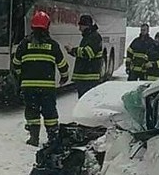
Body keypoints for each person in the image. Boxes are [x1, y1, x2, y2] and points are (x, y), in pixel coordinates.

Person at [13, 10, 69, 146]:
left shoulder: (24, 44)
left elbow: (15, 63)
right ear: (47, 26)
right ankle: (52, 137)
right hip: (47, 87)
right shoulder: (53, 45)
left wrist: (22, 76)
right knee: (49, 112)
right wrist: (64, 77)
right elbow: (62, 65)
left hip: (28, 87)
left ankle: (34, 137)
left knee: (32, 111)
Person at [65, 13, 103, 98]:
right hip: (85, 79)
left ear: (86, 26)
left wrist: (73, 50)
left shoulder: (94, 37)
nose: (79, 29)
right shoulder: (89, 36)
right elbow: (83, 54)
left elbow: (88, 53)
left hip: (89, 79)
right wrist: (71, 52)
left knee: (86, 102)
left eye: (81, 26)